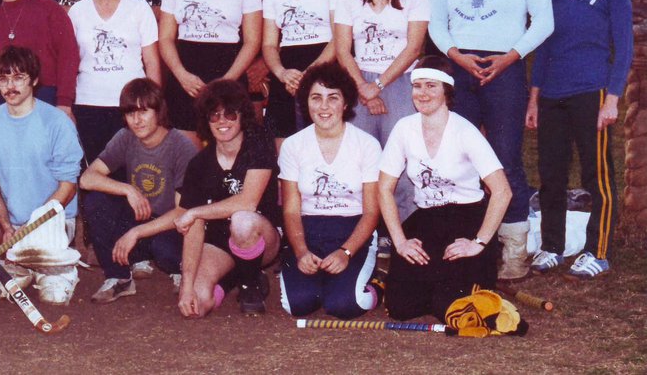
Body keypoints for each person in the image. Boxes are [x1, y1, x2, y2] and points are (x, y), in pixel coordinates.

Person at [428, 0, 554, 280]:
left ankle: (514, 250)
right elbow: (436, 23)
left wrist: (510, 57)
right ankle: (463, 244)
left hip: (505, 68)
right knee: (460, 158)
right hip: (461, 69)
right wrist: (457, 56)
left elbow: (543, 21)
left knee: (504, 158)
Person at [526, 0, 633, 279]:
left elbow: (625, 50)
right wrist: (534, 100)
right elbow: (542, 50)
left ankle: (597, 251)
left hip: (593, 93)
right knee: (552, 175)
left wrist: (613, 99)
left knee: (597, 175)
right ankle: (552, 246)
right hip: (553, 96)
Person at [377, 56, 511, 320]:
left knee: (447, 308)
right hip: (426, 217)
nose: (422, 93)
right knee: (400, 308)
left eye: (431, 86)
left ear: (446, 91)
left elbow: (502, 191)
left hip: (467, 219)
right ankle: (432, 283)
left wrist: (478, 243)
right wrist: (400, 241)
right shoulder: (404, 128)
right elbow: (383, 188)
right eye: (418, 86)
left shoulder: (464, 131)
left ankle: (462, 280)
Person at [334, 0, 430, 222]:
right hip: (359, 79)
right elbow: (341, 49)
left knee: (400, 157)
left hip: (401, 79)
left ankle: (407, 226)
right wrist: (363, 85)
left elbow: (414, 47)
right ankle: (368, 230)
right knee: (361, 159)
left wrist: (380, 84)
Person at [0, 46, 84, 305]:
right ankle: (24, 265)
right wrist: (5, 226)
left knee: (53, 298)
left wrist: (34, 225)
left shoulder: (57, 122)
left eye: (19, 77)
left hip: (52, 222)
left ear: (34, 80)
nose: (10, 86)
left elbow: (68, 187)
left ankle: (59, 269)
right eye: (3, 78)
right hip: (13, 226)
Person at [79, 78, 198, 303]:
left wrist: (136, 233)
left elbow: (184, 211)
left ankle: (181, 270)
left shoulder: (181, 146)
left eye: (144, 112)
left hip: (170, 227)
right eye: (130, 113)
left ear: (159, 111)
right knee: (96, 200)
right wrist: (128, 190)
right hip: (139, 220)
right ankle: (119, 278)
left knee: (165, 250)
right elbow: (87, 178)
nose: (136, 120)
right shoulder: (126, 137)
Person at [278, 62, 380, 319]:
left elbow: (371, 212)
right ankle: (326, 282)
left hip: (352, 230)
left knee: (344, 306)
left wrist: (345, 252)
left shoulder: (367, 145)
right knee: (298, 305)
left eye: (332, 98)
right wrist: (301, 252)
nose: (324, 107)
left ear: (345, 104)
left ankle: (376, 284)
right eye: (316, 98)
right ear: (306, 102)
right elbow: (291, 209)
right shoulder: (292, 145)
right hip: (308, 230)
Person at [175, 79, 282, 317]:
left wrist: (195, 212)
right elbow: (193, 227)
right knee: (196, 306)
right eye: (214, 116)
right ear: (206, 120)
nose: (222, 121)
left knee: (242, 220)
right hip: (219, 242)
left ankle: (250, 284)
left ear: (242, 116)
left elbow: (248, 202)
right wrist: (187, 286)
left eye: (230, 114)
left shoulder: (258, 143)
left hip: (260, 236)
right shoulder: (199, 164)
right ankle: (235, 278)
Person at [159, 0, 262, 146]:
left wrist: (227, 81)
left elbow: (252, 41)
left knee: (229, 154)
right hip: (187, 78)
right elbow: (165, 38)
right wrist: (181, 75)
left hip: (228, 73)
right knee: (187, 158)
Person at [69, 0, 162, 169]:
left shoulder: (139, 8)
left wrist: (155, 107)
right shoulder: (78, 11)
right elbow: (70, 64)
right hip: (89, 105)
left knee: (134, 172)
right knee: (96, 174)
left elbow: (152, 62)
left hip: (132, 106)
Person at [261, 0, 344, 144]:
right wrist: (281, 73)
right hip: (288, 75)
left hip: (323, 67)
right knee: (284, 147)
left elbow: (339, 37)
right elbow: (268, 44)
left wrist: (311, 73)